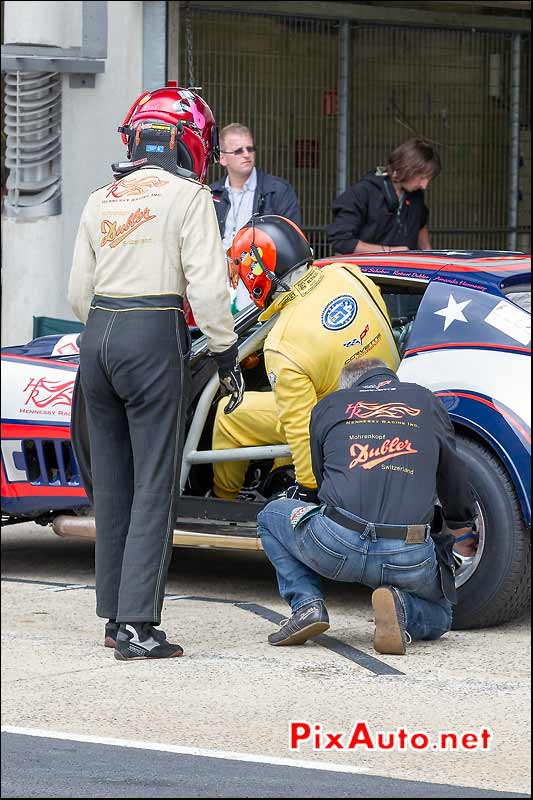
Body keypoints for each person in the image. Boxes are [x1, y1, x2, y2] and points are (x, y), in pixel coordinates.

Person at [67, 84, 244, 661]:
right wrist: (224, 351)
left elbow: (77, 294)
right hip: (152, 330)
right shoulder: (189, 197)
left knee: (113, 487)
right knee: (154, 486)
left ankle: (113, 617)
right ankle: (139, 627)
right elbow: (210, 289)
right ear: (188, 140)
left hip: (98, 334)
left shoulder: (103, 197)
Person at [257, 358, 477, 653]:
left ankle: (307, 605)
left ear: (349, 384)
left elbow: (323, 483)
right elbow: (453, 475)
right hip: (407, 554)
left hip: (336, 543)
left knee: (270, 515)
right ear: (391, 378)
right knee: (441, 615)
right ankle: (403, 608)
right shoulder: (426, 400)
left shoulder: (329, 405)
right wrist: (460, 519)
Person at [211, 215, 401, 503]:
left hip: (339, 424)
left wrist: (308, 491)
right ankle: (275, 472)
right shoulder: (349, 274)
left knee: (229, 412)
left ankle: (221, 502)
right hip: (389, 401)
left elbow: (301, 431)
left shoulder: (282, 343)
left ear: (257, 274)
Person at [210, 124, 302, 313]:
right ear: (222, 158)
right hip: (218, 286)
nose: (246, 154)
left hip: (262, 286)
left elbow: (294, 242)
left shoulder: (278, 190)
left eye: (250, 148)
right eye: (238, 150)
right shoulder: (211, 195)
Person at [327, 139, 441, 256]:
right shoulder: (362, 192)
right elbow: (341, 241)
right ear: (406, 169)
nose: (425, 185)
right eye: (421, 178)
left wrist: (429, 254)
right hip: (364, 270)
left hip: (403, 270)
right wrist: (391, 252)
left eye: (428, 179)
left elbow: (421, 224)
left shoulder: (416, 195)